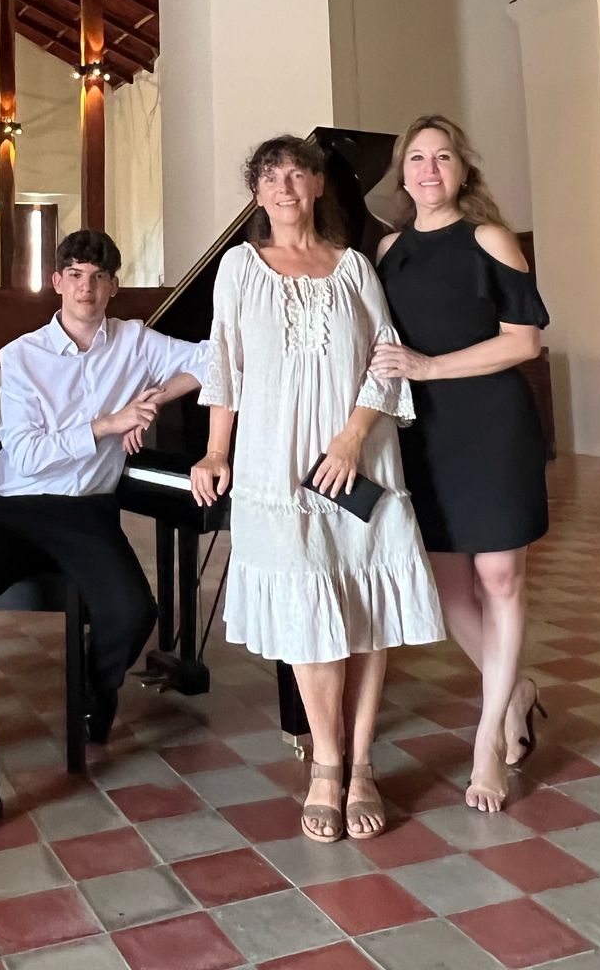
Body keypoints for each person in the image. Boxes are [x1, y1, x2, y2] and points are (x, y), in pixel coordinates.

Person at [0, 228, 208, 860]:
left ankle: (95, 696)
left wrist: (155, 393)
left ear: (113, 285)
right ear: (56, 282)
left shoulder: (135, 339)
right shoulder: (21, 354)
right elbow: (28, 451)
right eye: (74, 273)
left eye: (99, 277)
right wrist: (109, 423)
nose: (87, 286)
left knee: (133, 615)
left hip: (86, 513)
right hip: (13, 508)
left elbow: (214, 361)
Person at [190, 136, 444, 844]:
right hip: (277, 468)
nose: (284, 185)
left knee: (365, 611)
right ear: (256, 191)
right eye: (270, 175)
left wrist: (353, 437)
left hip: (358, 463)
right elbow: (224, 366)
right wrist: (215, 451)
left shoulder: (355, 266)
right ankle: (326, 766)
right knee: (308, 615)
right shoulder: (240, 269)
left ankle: (361, 763)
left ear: (318, 186)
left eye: (297, 172)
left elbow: (386, 360)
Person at [373, 115, 549, 815]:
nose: (429, 168)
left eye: (442, 156)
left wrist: (428, 366)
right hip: (426, 434)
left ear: (462, 171)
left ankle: (487, 742)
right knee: (450, 594)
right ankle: (519, 693)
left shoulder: (490, 239)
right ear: (402, 172)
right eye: (416, 157)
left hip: (492, 424)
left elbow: (525, 342)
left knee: (498, 576)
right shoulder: (386, 251)